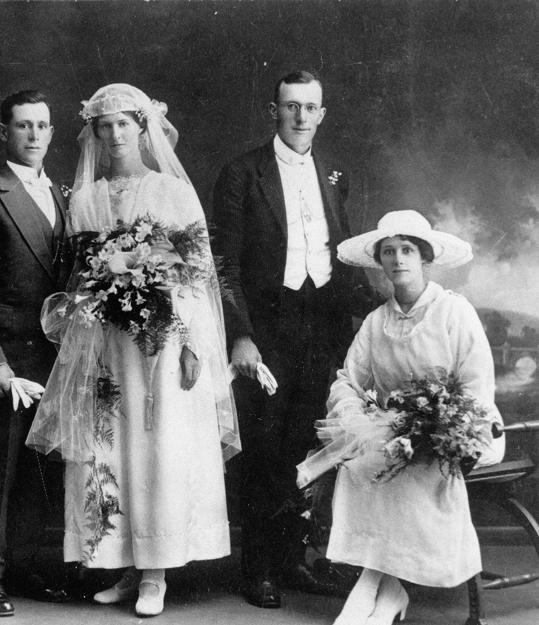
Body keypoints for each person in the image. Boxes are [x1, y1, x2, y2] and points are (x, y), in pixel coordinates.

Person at [26, 83, 240, 618]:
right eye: (105, 125)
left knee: (157, 446)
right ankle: (123, 565)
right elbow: (78, 276)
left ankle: (156, 573)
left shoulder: (172, 191)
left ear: (144, 129)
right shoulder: (86, 198)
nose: (115, 133)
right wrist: (99, 289)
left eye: (125, 123)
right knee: (109, 448)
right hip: (105, 344)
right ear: (93, 134)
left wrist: (195, 346)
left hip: (163, 345)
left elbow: (197, 275)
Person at [212, 70, 374, 609]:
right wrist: (241, 336)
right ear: (273, 111)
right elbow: (224, 265)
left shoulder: (334, 176)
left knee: (309, 442)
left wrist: (382, 311)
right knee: (263, 445)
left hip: (321, 323)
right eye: (290, 107)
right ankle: (257, 567)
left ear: (322, 114)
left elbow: (342, 256)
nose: (301, 117)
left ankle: (291, 560)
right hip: (268, 326)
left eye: (310, 108)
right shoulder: (241, 174)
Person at [296, 210, 506, 624]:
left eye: (407, 249)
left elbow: (477, 386)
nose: (397, 259)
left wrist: (445, 428)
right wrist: (357, 421)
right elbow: (346, 381)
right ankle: (386, 590)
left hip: (461, 430)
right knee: (363, 465)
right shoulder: (377, 322)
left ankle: (374, 589)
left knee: (410, 465)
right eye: (388, 251)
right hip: (398, 431)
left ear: (424, 256)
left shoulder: (452, 312)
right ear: (380, 261)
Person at [0, 90, 73, 617]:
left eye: (42, 126)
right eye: (23, 126)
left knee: (40, 468)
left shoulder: (65, 193)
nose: (33, 135)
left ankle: (25, 565)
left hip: (56, 354)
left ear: (52, 132)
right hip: (8, 355)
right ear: (4, 131)